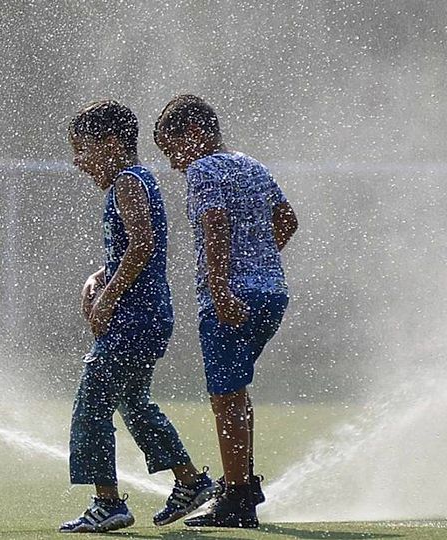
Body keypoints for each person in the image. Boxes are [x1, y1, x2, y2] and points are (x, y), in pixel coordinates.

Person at [59, 100, 219, 533]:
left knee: (92, 406)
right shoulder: (136, 181)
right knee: (134, 403)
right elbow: (134, 248)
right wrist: (99, 277)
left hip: (133, 319)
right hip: (147, 317)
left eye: (83, 150)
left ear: (111, 144)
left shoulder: (128, 182)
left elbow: (143, 244)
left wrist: (107, 298)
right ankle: (191, 482)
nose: (78, 162)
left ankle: (108, 503)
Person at [153, 94, 298, 528]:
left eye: (173, 150)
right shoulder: (252, 165)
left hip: (230, 297)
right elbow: (287, 219)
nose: (175, 164)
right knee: (235, 391)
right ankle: (242, 484)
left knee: (225, 397)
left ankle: (236, 498)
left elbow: (214, 222)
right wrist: (260, 262)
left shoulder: (204, 169)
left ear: (195, 134)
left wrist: (221, 287)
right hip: (271, 293)